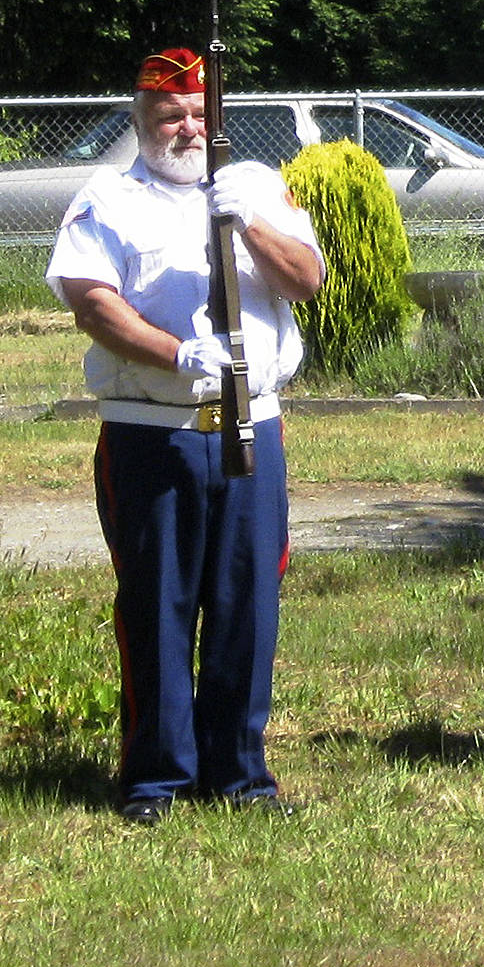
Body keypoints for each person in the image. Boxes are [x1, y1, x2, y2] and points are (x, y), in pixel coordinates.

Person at [46, 48, 325, 822]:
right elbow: (91, 301)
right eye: (171, 114)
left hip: (250, 424)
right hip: (153, 429)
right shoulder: (111, 196)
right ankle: (155, 777)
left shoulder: (258, 184)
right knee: (157, 601)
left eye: (201, 113)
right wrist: (174, 353)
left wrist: (251, 223)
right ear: (141, 121)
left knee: (248, 600)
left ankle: (239, 771)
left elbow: (306, 277)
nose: (188, 127)